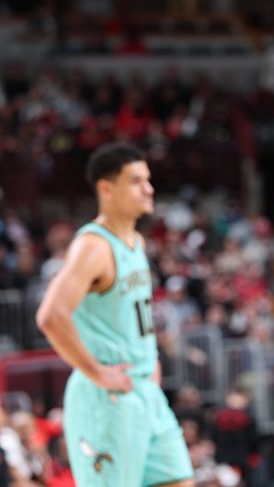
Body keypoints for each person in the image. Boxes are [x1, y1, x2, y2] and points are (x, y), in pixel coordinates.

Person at [36, 143, 194, 486]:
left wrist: (148, 356)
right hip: (107, 397)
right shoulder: (94, 246)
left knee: (180, 479)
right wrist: (96, 371)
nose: (148, 189)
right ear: (106, 189)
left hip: (145, 391)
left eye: (148, 179)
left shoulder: (135, 240)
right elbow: (51, 316)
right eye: (136, 181)